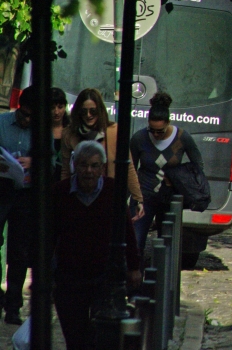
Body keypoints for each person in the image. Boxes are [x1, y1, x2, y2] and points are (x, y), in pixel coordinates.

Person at [53, 140, 141, 350]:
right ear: (75, 166)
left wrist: (134, 267)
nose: (88, 171)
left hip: (103, 274)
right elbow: (49, 233)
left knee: (100, 335)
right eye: (83, 165)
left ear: (102, 168)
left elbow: (127, 231)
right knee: (74, 336)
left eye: (94, 166)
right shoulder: (60, 192)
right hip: (69, 275)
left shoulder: (113, 190)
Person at [130, 92, 204, 252]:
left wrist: (178, 178)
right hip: (145, 196)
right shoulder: (139, 139)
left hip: (169, 198)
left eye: (160, 131)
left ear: (168, 123)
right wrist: (134, 198)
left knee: (167, 246)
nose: (156, 135)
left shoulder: (182, 138)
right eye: (152, 130)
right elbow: (131, 170)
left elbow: (197, 165)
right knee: (135, 242)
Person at [60, 88, 144, 210]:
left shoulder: (114, 131)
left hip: (108, 195)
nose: (88, 115)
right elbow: (66, 170)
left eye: (93, 111)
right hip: (79, 195)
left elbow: (128, 167)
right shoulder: (69, 134)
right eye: (84, 111)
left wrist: (138, 199)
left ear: (100, 110)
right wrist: (64, 197)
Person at [0, 85, 34, 324]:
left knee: (19, 250)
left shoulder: (41, 130)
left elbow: (51, 159)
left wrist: (33, 161)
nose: (27, 120)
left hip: (25, 193)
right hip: (2, 188)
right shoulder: (3, 123)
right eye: (25, 115)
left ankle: (13, 305)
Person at [51, 88, 69, 168]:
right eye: (52, 108)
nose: (56, 112)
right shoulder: (40, 130)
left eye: (60, 107)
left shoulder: (71, 129)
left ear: (65, 107)